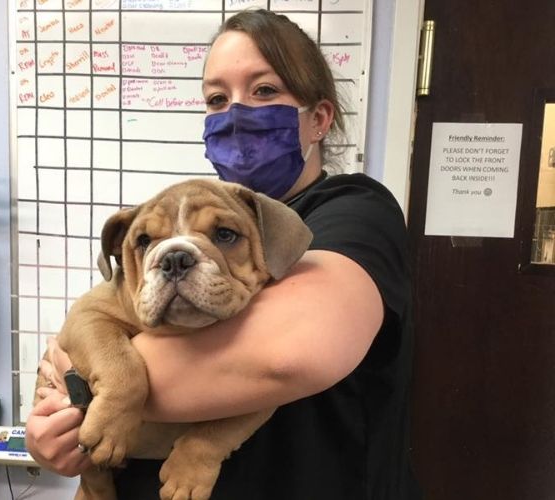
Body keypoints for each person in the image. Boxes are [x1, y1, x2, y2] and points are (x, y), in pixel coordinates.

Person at [26, 9, 421, 500]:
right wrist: (53, 432)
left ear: (319, 118)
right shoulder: (185, 209)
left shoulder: (351, 212)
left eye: (264, 92)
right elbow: (92, 327)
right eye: (217, 98)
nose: (237, 114)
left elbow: (283, 355)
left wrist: (87, 387)